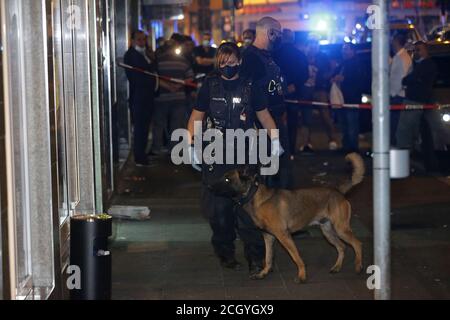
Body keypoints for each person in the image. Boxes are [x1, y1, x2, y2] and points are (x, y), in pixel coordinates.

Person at [187, 42, 282, 275]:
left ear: (239, 61)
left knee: (250, 212)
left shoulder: (252, 87)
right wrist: (189, 144)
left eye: (230, 62)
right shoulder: (210, 85)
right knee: (218, 212)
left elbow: (264, 116)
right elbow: (196, 117)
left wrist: (276, 140)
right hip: (216, 155)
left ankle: (256, 258)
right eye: (222, 63)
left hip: (245, 157)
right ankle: (225, 252)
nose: (226, 66)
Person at [240, 16, 293, 189]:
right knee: (267, 172)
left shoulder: (267, 56)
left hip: (273, 119)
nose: (280, 38)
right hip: (262, 123)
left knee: (278, 169)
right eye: (277, 34)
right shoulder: (250, 58)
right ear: (270, 33)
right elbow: (248, 95)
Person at [152, 37, 194, 155]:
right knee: (176, 125)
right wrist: (178, 86)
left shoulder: (158, 61)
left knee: (159, 124)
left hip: (161, 98)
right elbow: (190, 78)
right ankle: (174, 149)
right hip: (178, 98)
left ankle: (157, 148)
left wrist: (167, 86)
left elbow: (154, 78)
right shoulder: (183, 61)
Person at [396, 41, 437, 159]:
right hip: (417, 100)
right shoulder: (420, 64)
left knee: (404, 131)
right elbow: (411, 78)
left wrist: (409, 80)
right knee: (411, 131)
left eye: (419, 50)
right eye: (415, 50)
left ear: (426, 51)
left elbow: (409, 79)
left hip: (414, 101)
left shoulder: (427, 65)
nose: (416, 52)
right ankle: (410, 157)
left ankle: (404, 159)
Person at [273, 29, 309, 159]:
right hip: (293, 93)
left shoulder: (275, 53)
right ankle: (291, 151)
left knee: (276, 122)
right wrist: (295, 85)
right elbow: (305, 74)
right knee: (292, 123)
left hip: (277, 93)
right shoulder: (299, 54)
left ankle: (278, 150)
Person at [124, 30, 157, 166]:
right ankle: (139, 157)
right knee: (140, 128)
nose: (142, 42)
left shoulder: (146, 53)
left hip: (148, 96)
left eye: (144, 39)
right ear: (132, 40)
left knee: (145, 127)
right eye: (139, 39)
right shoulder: (131, 55)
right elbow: (138, 77)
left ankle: (142, 154)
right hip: (139, 96)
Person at [301, 39, 339, 153]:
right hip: (306, 90)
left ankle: (332, 140)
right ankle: (307, 143)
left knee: (325, 116)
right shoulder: (303, 57)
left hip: (320, 90)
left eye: (315, 43)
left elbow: (329, 71)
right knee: (306, 118)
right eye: (311, 43)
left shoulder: (323, 57)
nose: (313, 46)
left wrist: (324, 77)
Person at [332, 43, 365, 153]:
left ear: (352, 51)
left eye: (346, 49)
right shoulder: (343, 63)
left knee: (352, 124)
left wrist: (343, 79)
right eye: (343, 49)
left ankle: (353, 148)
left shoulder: (357, 63)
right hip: (343, 99)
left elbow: (359, 80)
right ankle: (346, 146)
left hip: (352, 99)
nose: (343, 51)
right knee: (344, 124)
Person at [390, 33, 412, 145]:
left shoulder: (403, 57)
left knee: (395, 125)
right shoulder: (398, 56)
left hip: (398, 96)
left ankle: (396, 149)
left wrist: (393, 94)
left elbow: (402, 78)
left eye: (392, 39)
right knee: (392, 125)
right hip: (396, 95)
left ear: (396, 41)